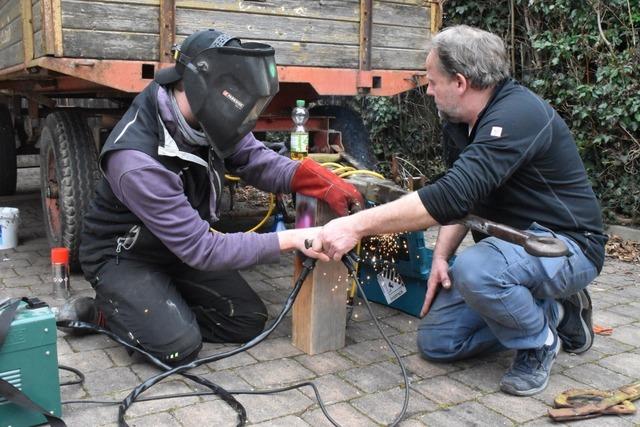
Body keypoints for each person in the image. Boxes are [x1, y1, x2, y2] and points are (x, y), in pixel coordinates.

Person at [314, 25, 607, 396]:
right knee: (438, 343)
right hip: (512, 248)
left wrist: (355, 226)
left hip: (565, 246)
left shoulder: (519, 116)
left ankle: (539, 341)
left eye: (433, 81)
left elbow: (449, 197)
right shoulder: (459, 123)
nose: (428, 89)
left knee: (475, 271)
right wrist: (440, 256)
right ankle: (556, 311)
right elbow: (463, 196)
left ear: (461, 82)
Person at [61, 29, 362, 365]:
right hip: (125, 255)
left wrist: (310, 177)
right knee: (177, 348)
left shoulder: (210, 117)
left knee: (246, 319)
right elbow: (203, 249)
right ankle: (109, 313)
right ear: (203, 85)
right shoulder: (136, 161)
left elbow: (253, 159)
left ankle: (161, 308)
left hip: (175, 248)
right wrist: (293, 238)